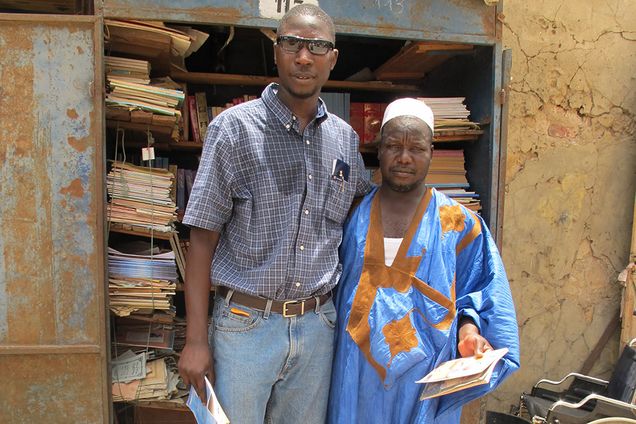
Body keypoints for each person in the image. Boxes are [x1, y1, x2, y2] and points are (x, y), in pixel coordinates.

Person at [177, 4, 371, 423]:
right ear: (277, 51)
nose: (304, 57)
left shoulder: (345, 141)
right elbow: (202, 240)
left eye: (317, 46)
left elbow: (360, 225)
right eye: (293, 44)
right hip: (245, 327)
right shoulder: (233, 130)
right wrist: (195, 340)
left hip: (317, 327)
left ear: (332, 58)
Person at [328, 98, 520, 423]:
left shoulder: (459, 224)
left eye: (416, 148)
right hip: (354, 380)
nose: (404, 158)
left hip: (423, 387)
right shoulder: (350, 214)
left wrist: (469, 333)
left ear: (431, 151)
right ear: (378, 149)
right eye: (393, 146)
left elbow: (481, 293)